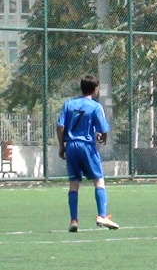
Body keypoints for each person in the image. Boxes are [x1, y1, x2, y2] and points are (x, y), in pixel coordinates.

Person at [56, 75, 119, 232]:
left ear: (81, 88)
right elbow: (103, 131)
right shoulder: (96, 107)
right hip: (87, 146)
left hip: (71, 146)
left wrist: (61, 146)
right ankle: (102, 216)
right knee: (98, 180)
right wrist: (101, 138)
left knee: (74, 184)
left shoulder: (69, 104)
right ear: (95, 89)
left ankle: (74, 220)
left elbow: (60, 126)